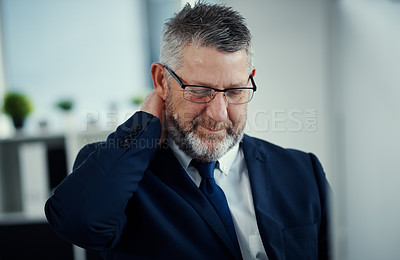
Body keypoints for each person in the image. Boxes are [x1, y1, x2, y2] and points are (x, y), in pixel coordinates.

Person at [45, 2, 330, 260]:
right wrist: (145, 123)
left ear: (250, 80)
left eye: (234, 91)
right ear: (161, 80)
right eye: (200, 91)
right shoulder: (117, 172)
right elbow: (79, 224)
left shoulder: (303, 171)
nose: (219, 113)